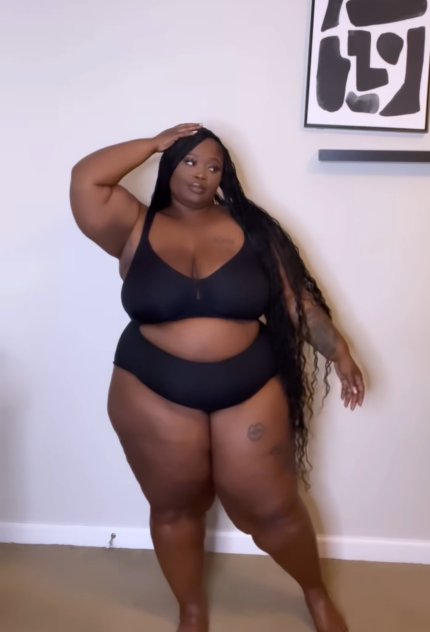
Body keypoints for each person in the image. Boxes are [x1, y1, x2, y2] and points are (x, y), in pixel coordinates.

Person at [70, 123, 365, 632]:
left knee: (272, 509)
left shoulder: (253, 228)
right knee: (175, 507)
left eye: (213, 166)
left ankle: (315, 592)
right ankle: (191, 609)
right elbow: (86, 180)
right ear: (169, 164)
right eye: (189, 161)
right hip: (151, 389)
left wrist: (339, 351)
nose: (201, 174)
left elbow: (296, 301)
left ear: (225, 175)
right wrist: (153, 143)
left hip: (248, 387)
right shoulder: (133, 224)